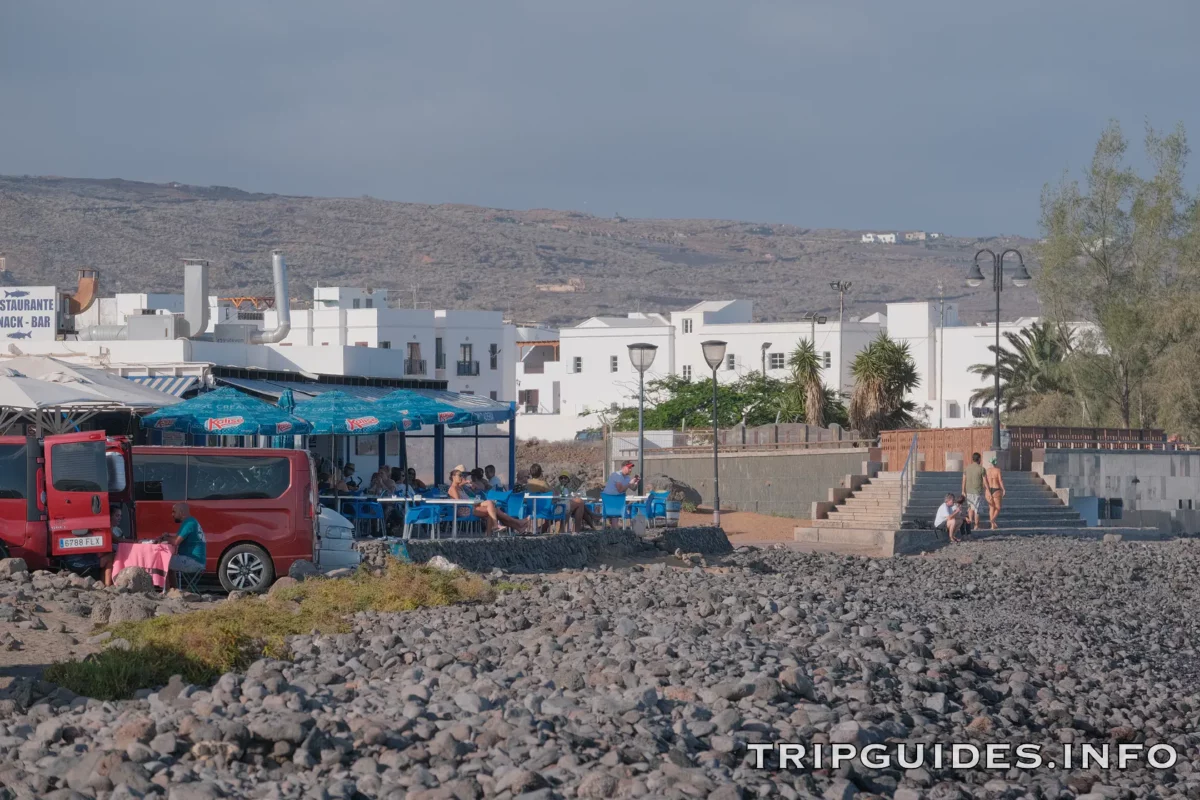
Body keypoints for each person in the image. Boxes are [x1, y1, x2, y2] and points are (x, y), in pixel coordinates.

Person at [448, 466, 528, 535]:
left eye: (462, 475)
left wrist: (466, 484)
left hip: (471, 506)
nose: (462, 477)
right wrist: (472, 501)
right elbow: (458, 502)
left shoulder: (460, 487)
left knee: (491, 507)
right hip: (465, 509)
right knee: (492, 509)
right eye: (460, 475)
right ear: (453, 477)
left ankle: (515, 526)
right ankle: (512, 524)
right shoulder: (453, 489)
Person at [164, 502, 206, 588]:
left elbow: (176, 542)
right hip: (197, 561)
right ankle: (174, 590)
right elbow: (177, 538)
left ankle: (167, 591)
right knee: (168, 561)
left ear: (181, 512)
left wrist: (164, 538)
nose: (172, 514)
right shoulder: (191, 521)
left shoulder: (188, 523)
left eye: (174, 512)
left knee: (163, 562)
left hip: (193, 561)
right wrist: (168, 537)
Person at [98, 506, 124, 587]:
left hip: (105, 556)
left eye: (120, 516)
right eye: (117, 516)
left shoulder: (118, 530)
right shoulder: (106, 528)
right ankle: (107, 585)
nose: (119, 518)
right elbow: (116, 540)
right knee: (111, 557)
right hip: (99, 558)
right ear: (110, 516)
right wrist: (135, 541)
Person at [961, 452, 986, 530]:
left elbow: (964, 480)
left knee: (970, 508)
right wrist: (987, 490)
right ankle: (976, 525)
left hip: (968, 491)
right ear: (979, 459)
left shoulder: (967, 468)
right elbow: (985, 481)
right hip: (978, 491)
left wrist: (963, 490)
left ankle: (970, 523)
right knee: (977, 509)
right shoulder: (981, 469)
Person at [984, 456, 1006, 530]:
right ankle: (993, 520)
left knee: (991, 507)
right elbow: (1000, 480)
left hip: (988, 489)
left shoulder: (987, 470)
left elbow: (985, 480)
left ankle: (992, 525)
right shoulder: (998, 470)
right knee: (998, 507)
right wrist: (1003, 489)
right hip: (996, 488)